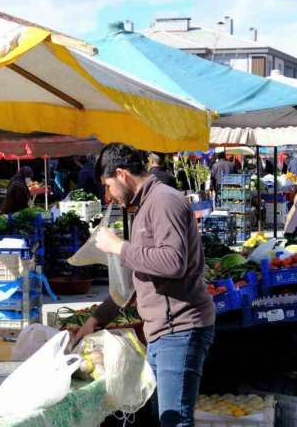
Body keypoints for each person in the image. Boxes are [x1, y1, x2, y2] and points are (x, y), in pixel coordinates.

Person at [74, 143, 214, 426]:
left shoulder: (164, 201)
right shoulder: (147, 206)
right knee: (157, 416)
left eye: (108, 186)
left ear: (122, 174)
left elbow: (172, 262)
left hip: (181, 328)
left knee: (175, 420)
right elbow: (133, 284)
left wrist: (119, 247)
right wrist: (96, 320)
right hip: (163, 331)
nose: (108, 196)